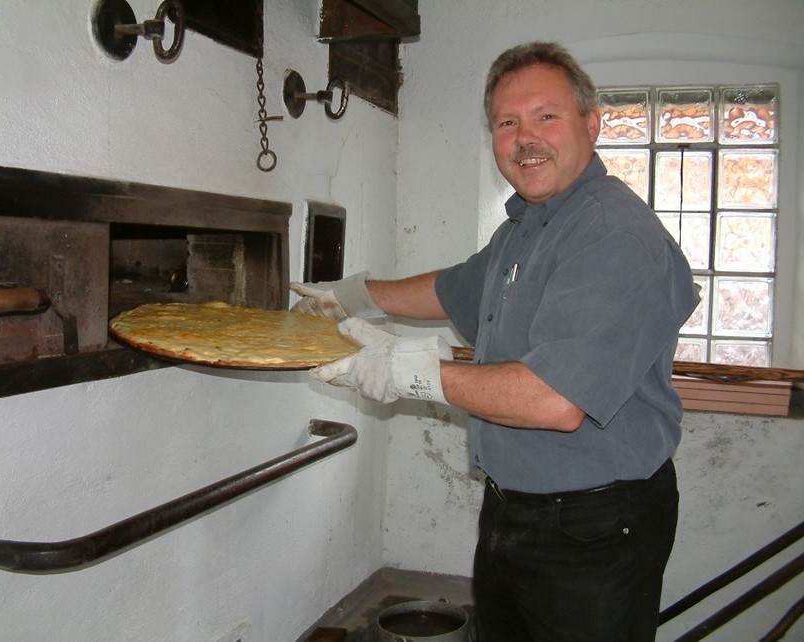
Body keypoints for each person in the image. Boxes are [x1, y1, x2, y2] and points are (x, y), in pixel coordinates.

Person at [291, 41, 700, 642]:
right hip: (515, 508)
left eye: (546, 116)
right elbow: (453, 288)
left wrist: (399, 367)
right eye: (507, 123)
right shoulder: (530, 225)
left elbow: (555, 401)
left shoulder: (614, 235)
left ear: (591, 123)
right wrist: (351, 294)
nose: (524, 137)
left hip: (595, 525)